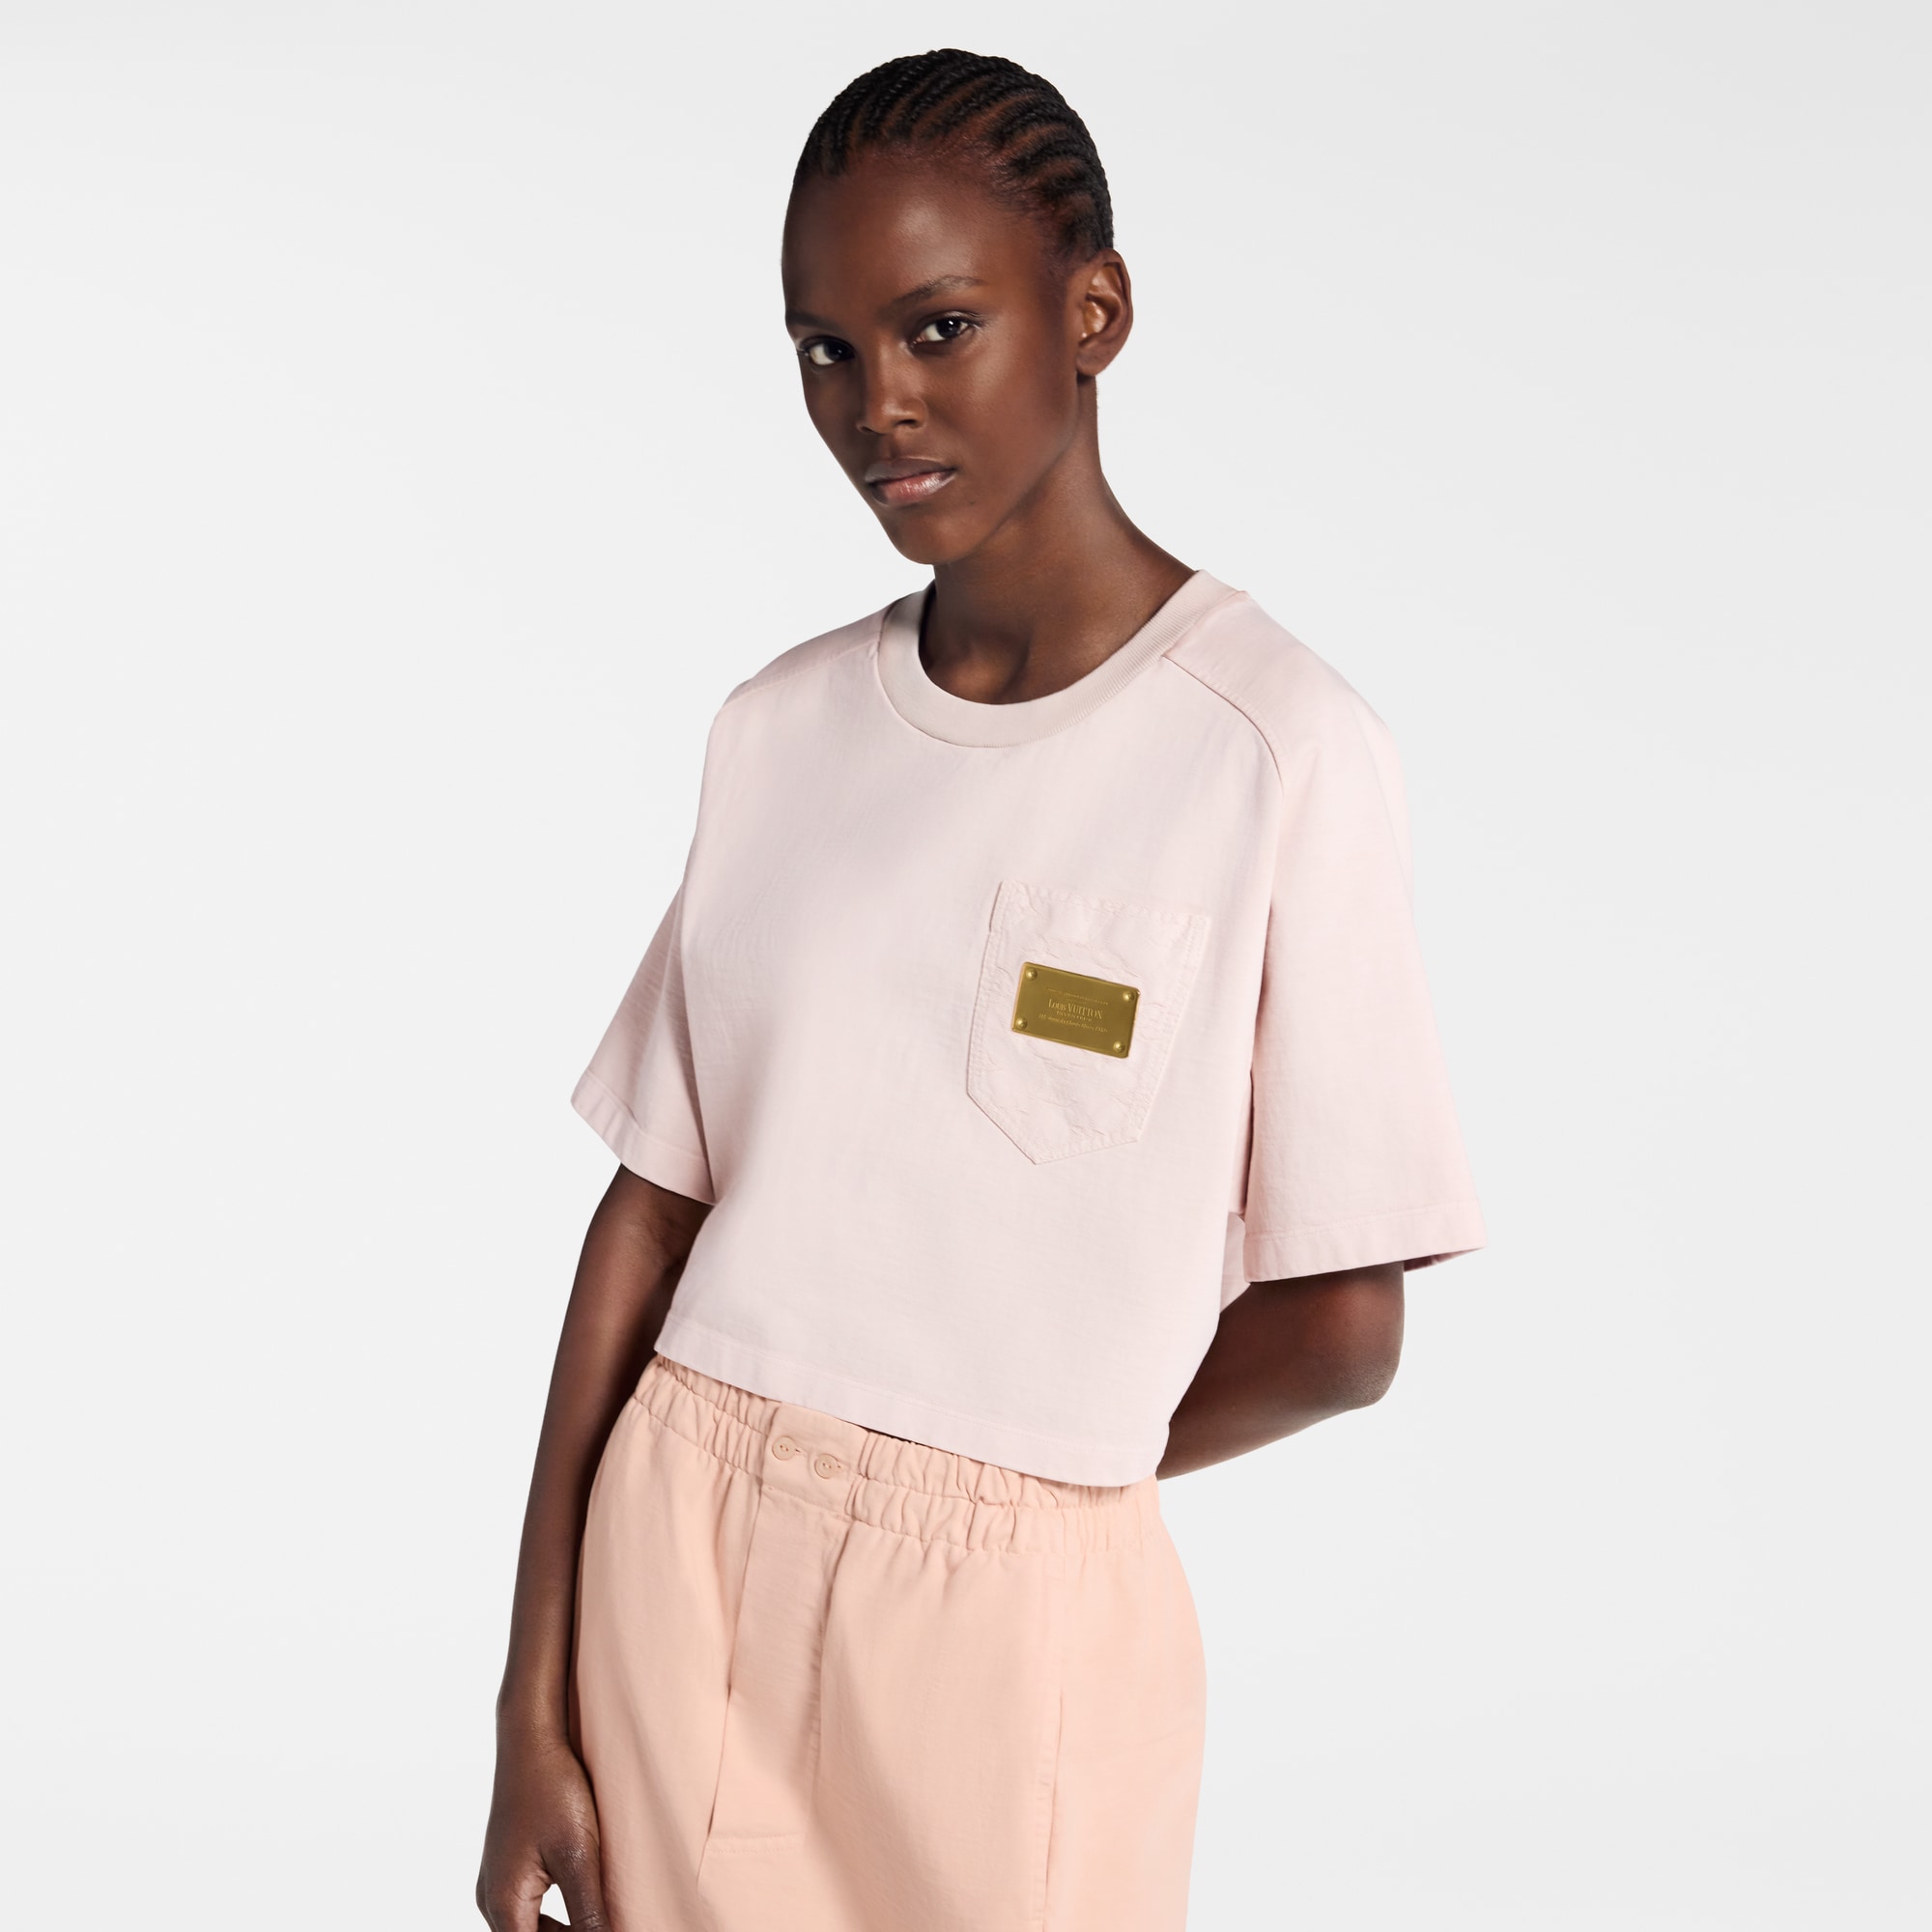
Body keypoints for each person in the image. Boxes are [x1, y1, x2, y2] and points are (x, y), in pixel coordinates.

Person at [476, 46, 1484, 1932]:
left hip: (1020, 1614)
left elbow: (1343, 1326)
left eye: (938, 326)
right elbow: (649, 1213)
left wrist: (1016, 1462)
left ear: (1093, 312)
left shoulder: (1273, 749)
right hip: (675, 1548)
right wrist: (529, 1705)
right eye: (825, 349)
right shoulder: (778, 731)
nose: (879, 403)